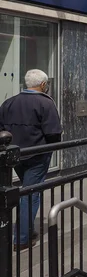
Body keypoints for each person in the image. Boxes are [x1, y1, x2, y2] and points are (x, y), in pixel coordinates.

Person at [0, 69, 62, 251]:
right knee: (30, 194)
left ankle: (21, 231)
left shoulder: (9, 102)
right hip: (37, 155)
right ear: (43, 85)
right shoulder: (45, 103)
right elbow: (53, 133)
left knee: (25, 192)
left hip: (16, 155)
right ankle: (22, 239)